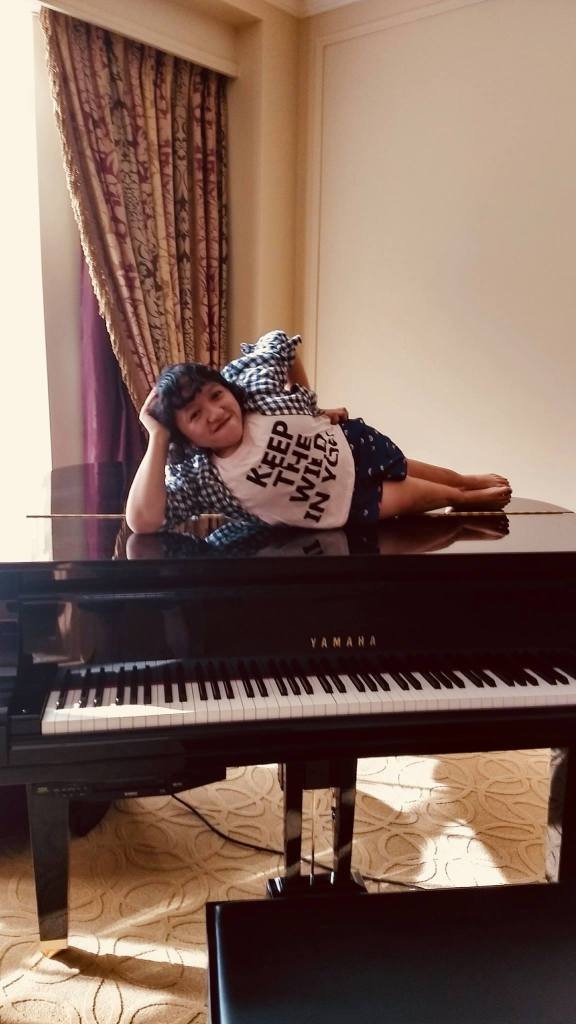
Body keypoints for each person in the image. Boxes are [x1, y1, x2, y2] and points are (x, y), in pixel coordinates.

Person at [125, 331, 511, 534]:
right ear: (187, 438)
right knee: (424, 496)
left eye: (215, 395)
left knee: (423, 469)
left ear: (228, 388)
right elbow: (142, 521)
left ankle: (465, 480)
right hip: (344, 505)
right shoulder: (203, 478)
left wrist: (310, 409)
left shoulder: (257, 396)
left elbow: (280, 343)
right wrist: (157, 436)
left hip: (352, 448)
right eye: (195, 414)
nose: (214, 412)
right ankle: (462, 498)